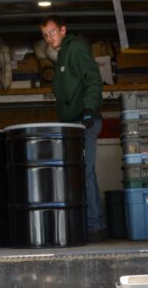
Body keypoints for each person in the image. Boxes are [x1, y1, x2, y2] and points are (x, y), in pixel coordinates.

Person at [40, 14, 107, 241]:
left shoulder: (75, 49)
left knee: (86, 173)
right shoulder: (61, 57)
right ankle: (92, 224)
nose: (49, 38)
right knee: (82, 173)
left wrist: (88, 109)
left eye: (52, 32)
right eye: (45, 35)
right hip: (74, 125)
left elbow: (93, 79)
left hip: (85, 121)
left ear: (63, 30)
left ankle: (94, 226)